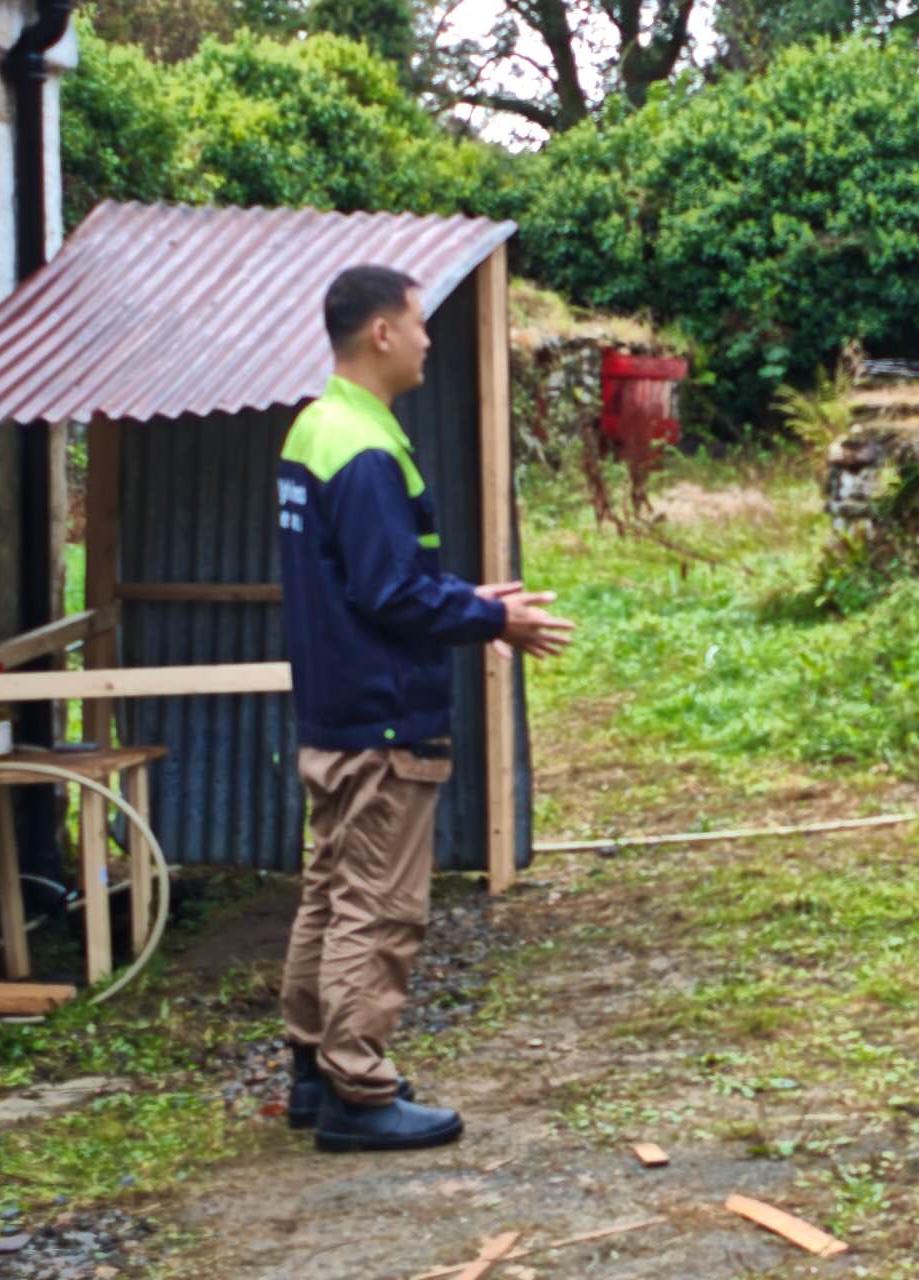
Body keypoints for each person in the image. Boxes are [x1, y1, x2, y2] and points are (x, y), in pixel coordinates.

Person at [276, 264, 575, 1152]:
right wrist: (490, 617)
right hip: (384, 720)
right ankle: (358, 1095)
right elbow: (387, 591)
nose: (428, 338)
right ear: (380, 334)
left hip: (337, 711)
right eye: (418, 322)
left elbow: (366, 576)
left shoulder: (315, 430)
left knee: (330, 894)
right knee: (378, 905)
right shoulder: (364, 449)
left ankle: (311, 1070)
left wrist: (463, 600)